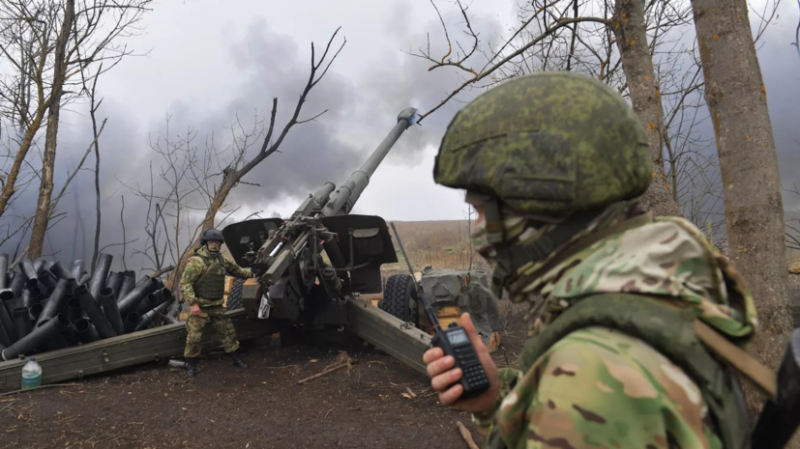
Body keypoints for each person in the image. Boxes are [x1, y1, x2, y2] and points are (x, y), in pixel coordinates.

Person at [423, 72, 761, 448]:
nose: (479, 232)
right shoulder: (662, 285)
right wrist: (492, 402)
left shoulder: (591, 374)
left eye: (484, 212)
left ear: (539, 203)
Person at [182, 229, 254, 377]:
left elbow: (237, 271)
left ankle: (235, 358)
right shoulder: (197, 261)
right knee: (194, 338)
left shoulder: (221, 260)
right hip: (200, 306)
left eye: (217, 242)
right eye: (211, 242)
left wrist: (253, 274)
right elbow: (186, 283)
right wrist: (193, 304)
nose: (214, 245)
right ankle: (191, 365)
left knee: (229, 333)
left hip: (216, 305)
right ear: (205, 243)